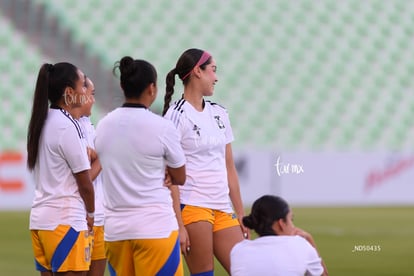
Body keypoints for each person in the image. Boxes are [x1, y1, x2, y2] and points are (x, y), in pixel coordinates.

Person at [95, 56, 186, 276]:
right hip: (156, 228)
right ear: (152, 88)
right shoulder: (162, 127)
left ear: (122, 86)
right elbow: (180, 177)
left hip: (116, 231)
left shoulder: (104, 124)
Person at [163, 48, 248, 275]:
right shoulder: (176, 115)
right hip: (192, 206)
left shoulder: (220, 113)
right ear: (197, 72)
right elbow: (169, 175)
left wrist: (240, 212)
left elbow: (229, 166)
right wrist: (179, 224)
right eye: (213, 70)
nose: (216, 77)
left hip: (222, 207)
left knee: (246, 270)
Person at [27, 62, 95, 275]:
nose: (86, 92)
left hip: (41, 220)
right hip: (65, 221)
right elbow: (84, 183)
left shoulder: (43, 119)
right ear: (69, 92)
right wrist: (91, 213)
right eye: (83, 86)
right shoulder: (67, 126)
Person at [230, 195, 329, 276]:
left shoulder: (238, 250)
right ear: (281, 223)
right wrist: (310, 241)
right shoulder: (301, 245)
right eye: (291, 220)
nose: (293, 226)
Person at [78, 77, 106, 276]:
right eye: (92, 94)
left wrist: (99, 156)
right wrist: (105, 157)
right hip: (81, 217)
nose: (94, 100)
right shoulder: (70, 127)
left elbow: (94, 157)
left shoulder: (88, 124)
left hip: (100, 216)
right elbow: (86, 175)